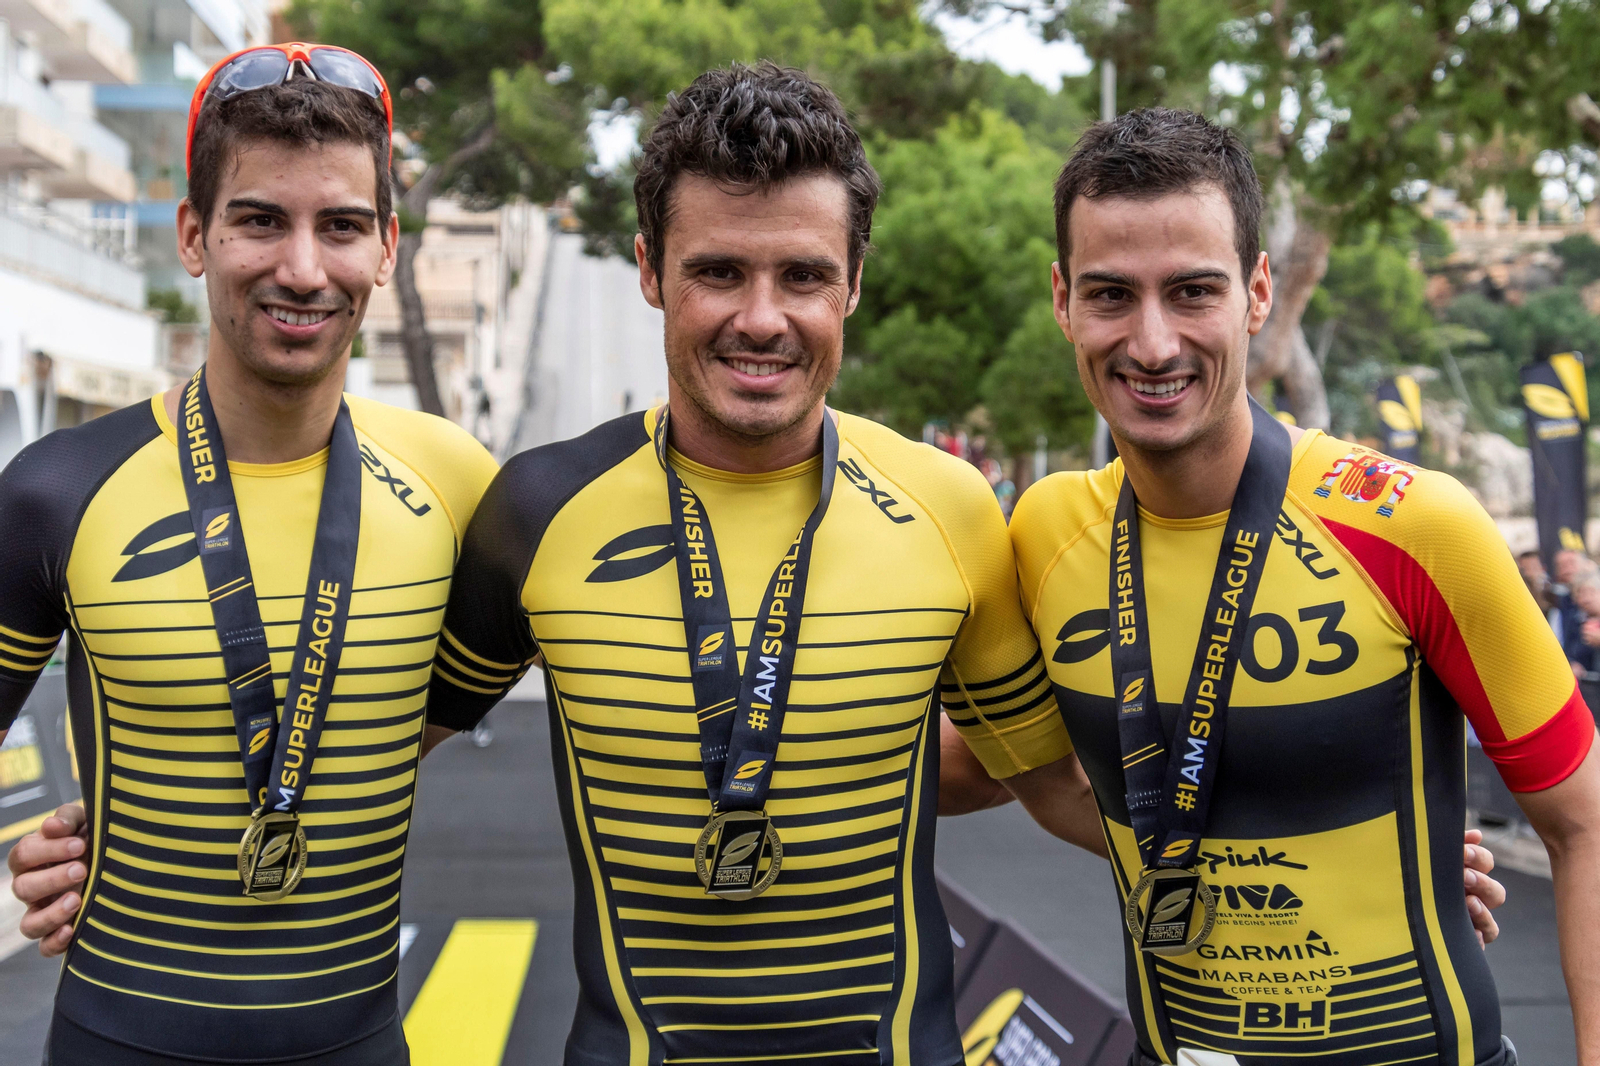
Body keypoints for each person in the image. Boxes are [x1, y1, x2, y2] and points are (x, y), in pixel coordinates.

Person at [420, 62, 1095, 1064]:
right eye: (719, 271)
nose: (763, 318)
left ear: (853, 282)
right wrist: (109, 843)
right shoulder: (536, 508)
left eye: (804, 276)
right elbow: (365, 754)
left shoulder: (947, 508)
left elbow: (1044, 779)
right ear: (650, 270)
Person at [1005, 108, 1600, 1065]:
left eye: (1192, 291)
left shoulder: (1416, 524)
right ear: (1063, 301)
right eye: (1112, 295)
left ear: (1258, 292)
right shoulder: (1042, 533)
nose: (1153, 344)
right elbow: (1033, 774)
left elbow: (1586, 827)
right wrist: (1372, 862)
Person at [0, 42, 498, 1064]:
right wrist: (56, 849)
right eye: (260, 219)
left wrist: (204, 796)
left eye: (343, 226)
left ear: (389, 247)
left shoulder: (461, 487)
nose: (303, 268)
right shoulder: (58, 489)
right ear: (194, 234)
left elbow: (431, 717)